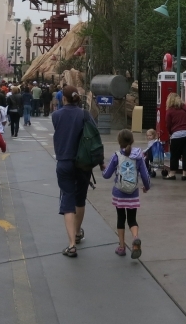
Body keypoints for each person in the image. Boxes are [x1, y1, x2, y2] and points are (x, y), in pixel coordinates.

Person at [52, 85, 102, 257]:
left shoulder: (56, 116)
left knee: (67, 200)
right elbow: (95, 137)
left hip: (64, 162)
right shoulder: (84, 114)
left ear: (63, 98)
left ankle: (71, 244)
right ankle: (79, 231)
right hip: (83, 163)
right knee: (80, 199)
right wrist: (100, 161)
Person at [103, 128, 151, 259]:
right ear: (133, 140)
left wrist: (103, 168)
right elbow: (145, 175)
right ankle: (135, 239)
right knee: (132, 219)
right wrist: (146, 187)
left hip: (119, 193)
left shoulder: (116, 155)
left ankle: (122, 247)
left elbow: (107, 175)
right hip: (133, 193)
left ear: (119, 141)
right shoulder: (139, 156)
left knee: (121, 219)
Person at [162, 93, 186, 181]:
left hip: (177, 134)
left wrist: (171, 133)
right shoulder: (185, 108)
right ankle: (184, 175)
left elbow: (168, 124)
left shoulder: (170, 111)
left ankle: (172, 174)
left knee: (175, 155)